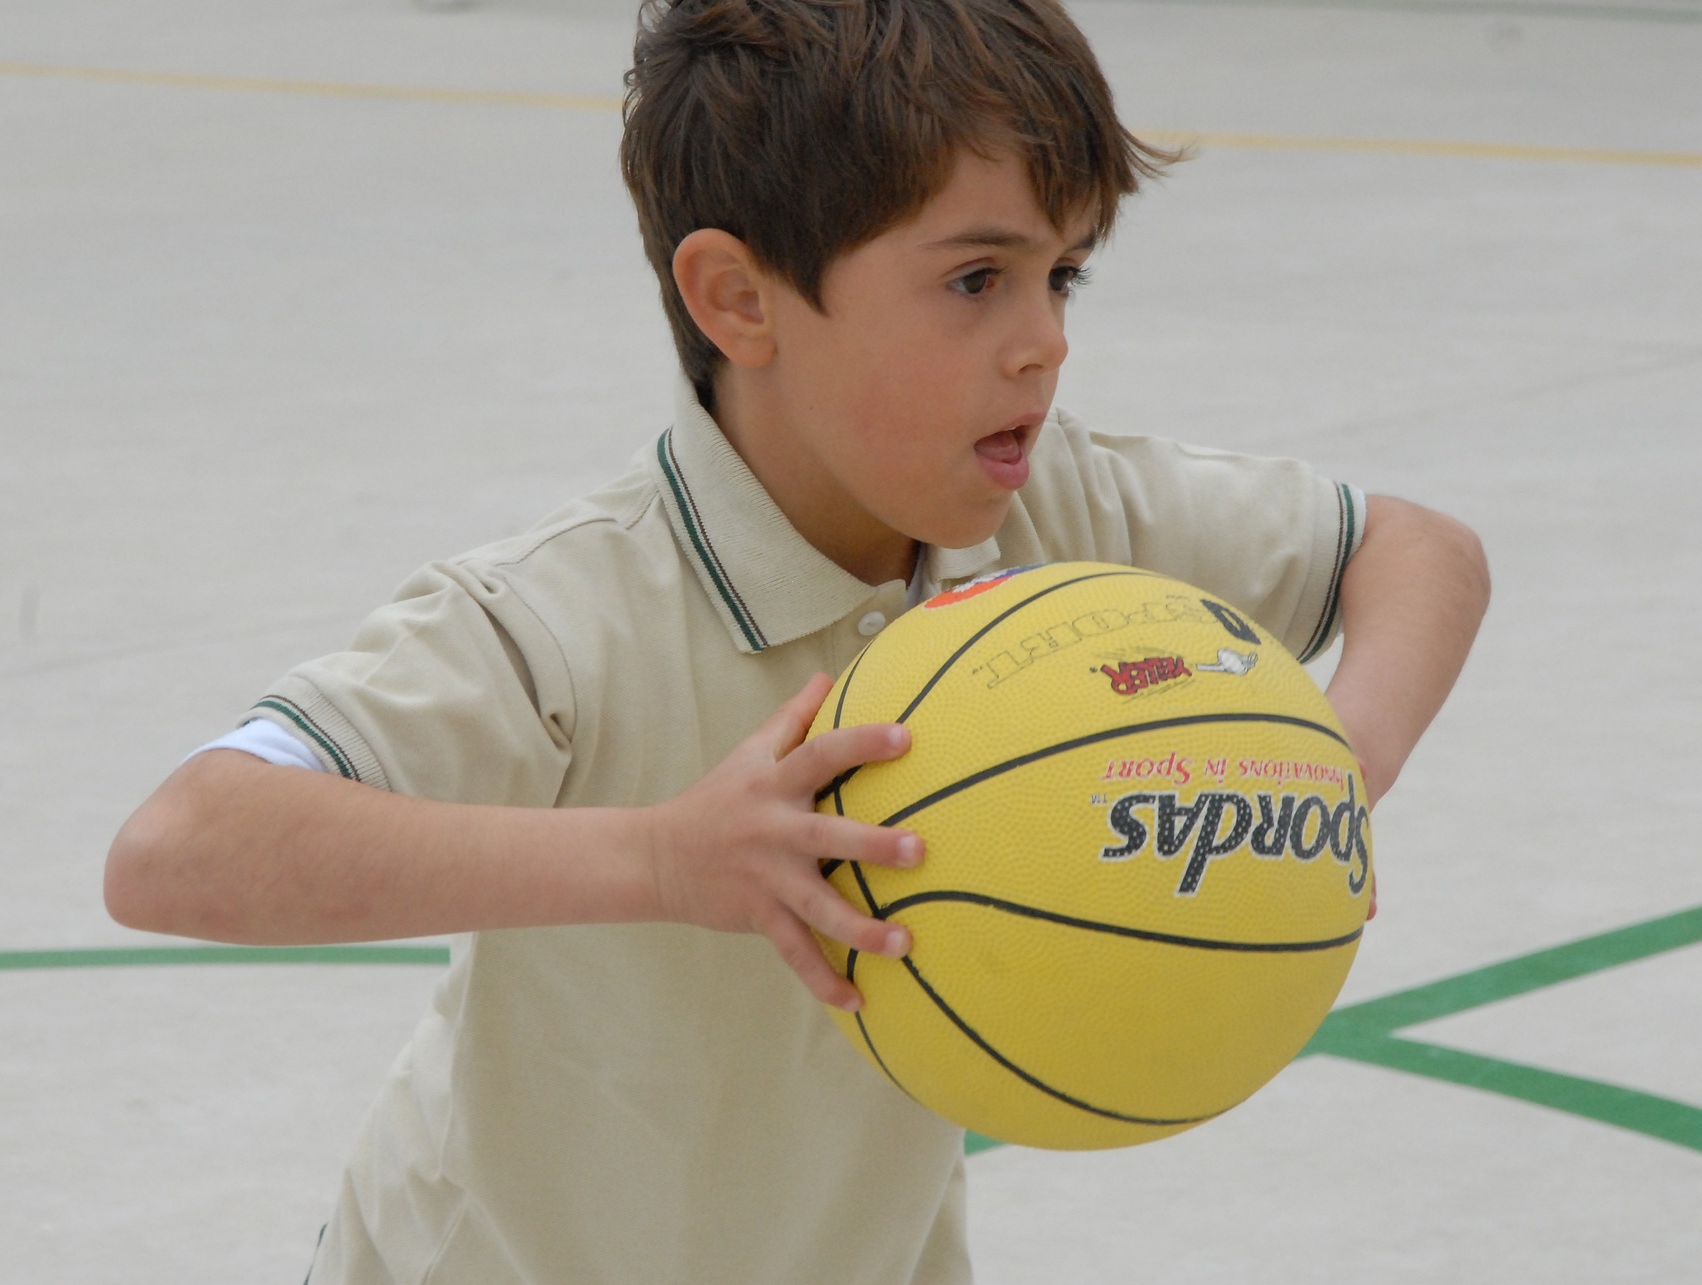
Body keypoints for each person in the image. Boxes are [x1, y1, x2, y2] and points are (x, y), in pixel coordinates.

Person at [105, 0, 1490, 1280]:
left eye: (1062, 277)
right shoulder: (567, 610)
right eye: (975, 281)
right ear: (739, 299)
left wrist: (1333, 763)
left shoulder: (1058, 518)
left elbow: (1418, 550)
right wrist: (663, 855)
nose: (1044, 344)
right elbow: (180, 848)